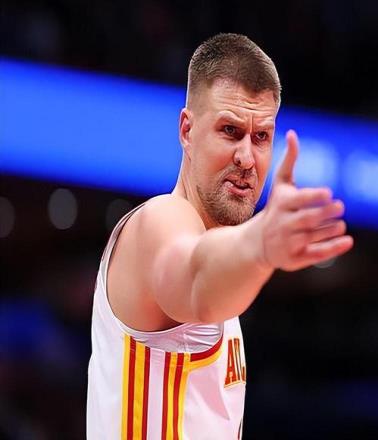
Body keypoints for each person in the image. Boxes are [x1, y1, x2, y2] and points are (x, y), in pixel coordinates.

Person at [87, 33, 353, 439]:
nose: (246, 158)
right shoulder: (159, 222)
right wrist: (261, 243)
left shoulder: (220, 252)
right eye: (230, 130)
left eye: (261, 137)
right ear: (187, 130)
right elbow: (196, 278)